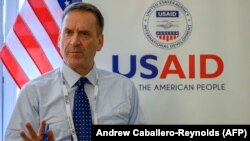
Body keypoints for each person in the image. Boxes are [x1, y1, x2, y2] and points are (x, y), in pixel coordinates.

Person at [5, 2, 145, 141]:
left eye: (84, 34)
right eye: (69, 33)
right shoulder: (33, 93)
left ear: (100, 42)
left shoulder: (125, 89)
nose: (74, 41)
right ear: (60, 39)